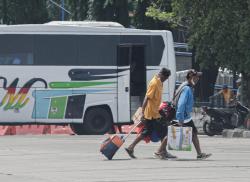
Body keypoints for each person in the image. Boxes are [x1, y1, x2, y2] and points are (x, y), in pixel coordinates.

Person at [125, 68, 175, 159]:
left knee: (147, 132)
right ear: (163, 75)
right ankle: (162, 152)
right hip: (152, 114)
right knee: (164, 132)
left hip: (155, 112)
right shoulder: (154, 83)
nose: (166, 80)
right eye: (166, 78)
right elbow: (146, 98)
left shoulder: (160, 82)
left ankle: (130, 147)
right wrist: (142, 113)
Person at [174, 69, 212, 159]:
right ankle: (160, 150)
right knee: (173, 133)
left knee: (193, 133)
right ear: (191, 77)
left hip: (184, 115)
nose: (198, 79)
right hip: (182, 116)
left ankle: (199, 154)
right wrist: (180, 118)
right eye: (196, 77)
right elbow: (181, 104)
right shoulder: (187, 88)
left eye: (198, 77)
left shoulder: (186, 86)